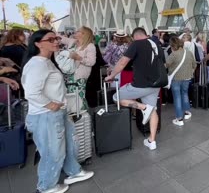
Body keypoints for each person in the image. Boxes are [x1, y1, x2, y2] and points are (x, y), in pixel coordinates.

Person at [22, 30, 94, 193]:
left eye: (56, 38)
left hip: (56, 112)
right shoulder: (37, 64)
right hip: (46, 115)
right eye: (51, 39)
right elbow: (31, 92)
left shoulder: (46, 61)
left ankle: (73, 171)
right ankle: (46, 185)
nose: (56, 41)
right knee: (53, 151)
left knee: (69, 143)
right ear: (38, 44)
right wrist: (49, 104)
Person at [105, 27, 163, 150]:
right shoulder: (156, 44)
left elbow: (122, 62)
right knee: (153, 110)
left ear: (135, 36)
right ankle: (152, 141)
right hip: (156, 84)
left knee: (116, 97)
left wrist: (111, 76)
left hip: (140, 85)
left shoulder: (136, 44)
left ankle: (143, 107)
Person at [60, 26, 96, 110]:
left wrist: (78, 58)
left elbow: (91, 62)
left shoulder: (90, 46)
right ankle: (73, 113)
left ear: (84, 34)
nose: (76, 31)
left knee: (79, 97)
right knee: (70, 96)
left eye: (78, 31)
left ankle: (82, 115)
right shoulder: (72, 42)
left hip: (79, 76)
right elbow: (60, 38)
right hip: (68, 74)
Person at [166, 37, 196, 126]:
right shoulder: (189, 53)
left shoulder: (173, 54)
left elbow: (166, 65)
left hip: (175, 79)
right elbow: (194, 65)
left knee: (177, 97)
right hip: (187, 78)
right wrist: (190, 72)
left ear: (172, 45)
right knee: (185, 94)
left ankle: (179, 119)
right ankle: (187, 113)